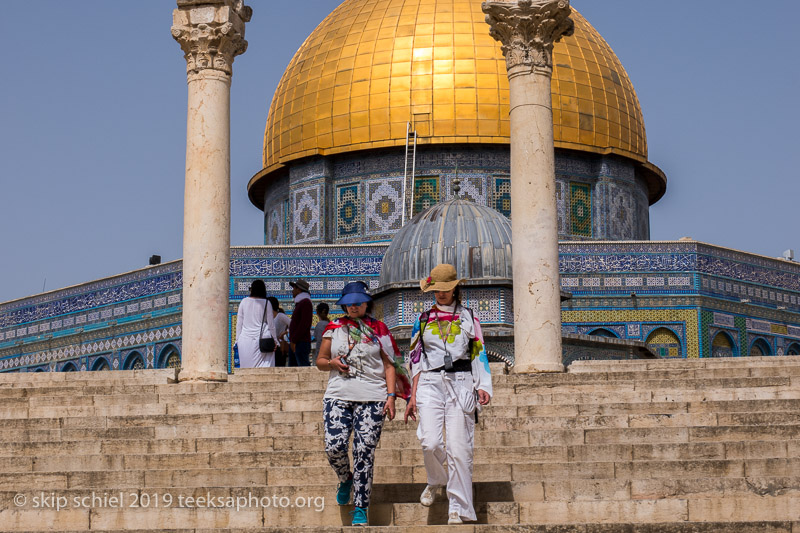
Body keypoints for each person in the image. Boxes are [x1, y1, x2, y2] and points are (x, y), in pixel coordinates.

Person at [404, 264, 492, 525]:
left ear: (455, 288)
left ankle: (459, 507)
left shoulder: (469, 316)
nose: (441, 294)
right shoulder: (422, 319)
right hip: (430, 383)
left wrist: (483, 384)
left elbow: (479, 352)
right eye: (436, 290)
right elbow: (415, 359)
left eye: (445, 289)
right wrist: (412, 395)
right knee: (430, 441)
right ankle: (436, 479)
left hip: (461, 383)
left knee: (459, 447)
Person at [316, 281, 410, 527]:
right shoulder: (333, 328)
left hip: (372, 397)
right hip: (338, 396)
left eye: (358, 302)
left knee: (364, 451)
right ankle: (345, 478)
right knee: (334, 447)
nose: (354, 306)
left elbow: (390, 365)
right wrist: (332, 363)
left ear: (367, 303)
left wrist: (391, 397)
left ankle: (360, 507)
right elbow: (321, 360)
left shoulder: (380, 330)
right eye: (349, 303)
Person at [235, 280, 277, 368]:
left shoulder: (243, 302)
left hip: (245, 341)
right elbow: (271, 325)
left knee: (246, 368)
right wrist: (275, 341)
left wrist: (237, 341)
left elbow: (239, 324)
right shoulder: (267, 303)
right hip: (263, 340)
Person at [289, 279, 313, 366]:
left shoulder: (305, 303)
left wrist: (294, 340)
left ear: (298, 289)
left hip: (300, 342)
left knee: (303, 367)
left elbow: (304, 324)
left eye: (294, 288)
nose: (292, 291)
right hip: (297, 342)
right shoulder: (300, 303)